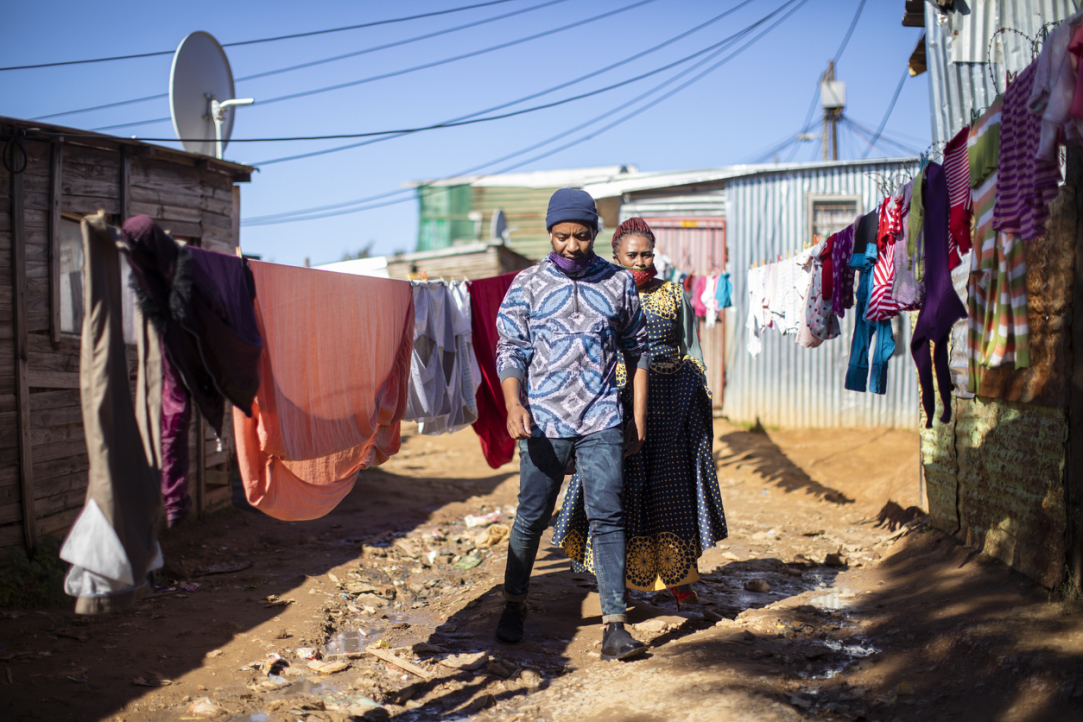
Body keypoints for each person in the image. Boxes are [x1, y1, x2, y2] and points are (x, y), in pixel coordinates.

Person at [494, 188, 649, 661]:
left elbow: (638, 348)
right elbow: (510, 350)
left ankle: (615, 624)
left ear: (594, 234)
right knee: (533, 515)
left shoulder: (618, 283)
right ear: (549, 234)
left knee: (608, 515)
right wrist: (512, 404)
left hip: (601, 416)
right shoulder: (526, 284)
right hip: (543, 420)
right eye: (561, 237)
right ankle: (515, 603)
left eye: (581, 236)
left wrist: (637, 419)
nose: (571, 246)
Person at [554, 217, 728, 608]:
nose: (640, 261)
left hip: (670, 409)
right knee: (620, 491)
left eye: (646, 253)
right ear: (615, 254)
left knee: (672, 493)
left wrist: (695, 395)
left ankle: (679, 579)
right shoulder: (604, 293)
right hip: (615, 405)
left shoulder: (673, 293)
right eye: (631, 254)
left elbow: (690, 349)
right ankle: (620, 583)